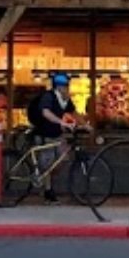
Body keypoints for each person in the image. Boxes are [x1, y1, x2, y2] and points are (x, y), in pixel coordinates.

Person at [26, 71, 81, 201]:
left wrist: (86, 125)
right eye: (66, 87)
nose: (68, 89)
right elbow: (46, 112)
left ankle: (46, 180)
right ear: (59, 87)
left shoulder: (65, 99)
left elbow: (74, 112)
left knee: (63, 158)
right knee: (47, 161)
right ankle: (48, 190)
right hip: (44, 133)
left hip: (56, 133)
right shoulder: (48, 97)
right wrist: (61, 122)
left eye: (68, 86)